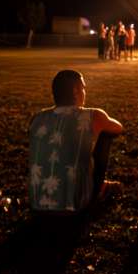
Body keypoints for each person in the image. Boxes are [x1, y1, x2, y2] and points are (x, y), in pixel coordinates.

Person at [29, 70, 124, 215]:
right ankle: (97, 189)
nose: (84, 92)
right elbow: (118, 128)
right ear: (75, 91)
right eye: (83, 88)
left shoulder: (37, 118)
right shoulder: (93, 115)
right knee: (105, 136)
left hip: (37, 204)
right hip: (76, 205)